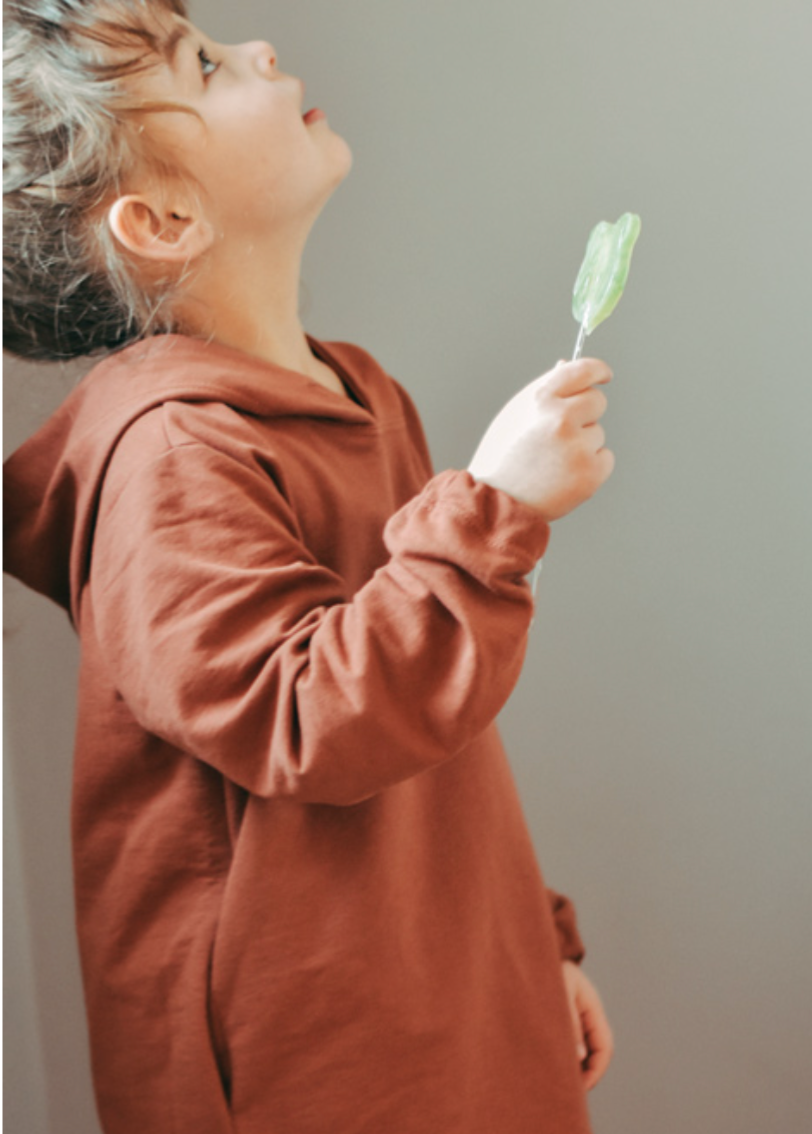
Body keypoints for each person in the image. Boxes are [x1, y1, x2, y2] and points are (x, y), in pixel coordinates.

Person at [2, 2, 615, 1132]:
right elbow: (306, 717)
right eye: (204, 64)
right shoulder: (171, 459)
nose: (261, 50)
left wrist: (530, 939)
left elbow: (434, 727)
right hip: (311, 1056)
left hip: (447, 990)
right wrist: (494, 512)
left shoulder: (360, 394)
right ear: (163, 218)